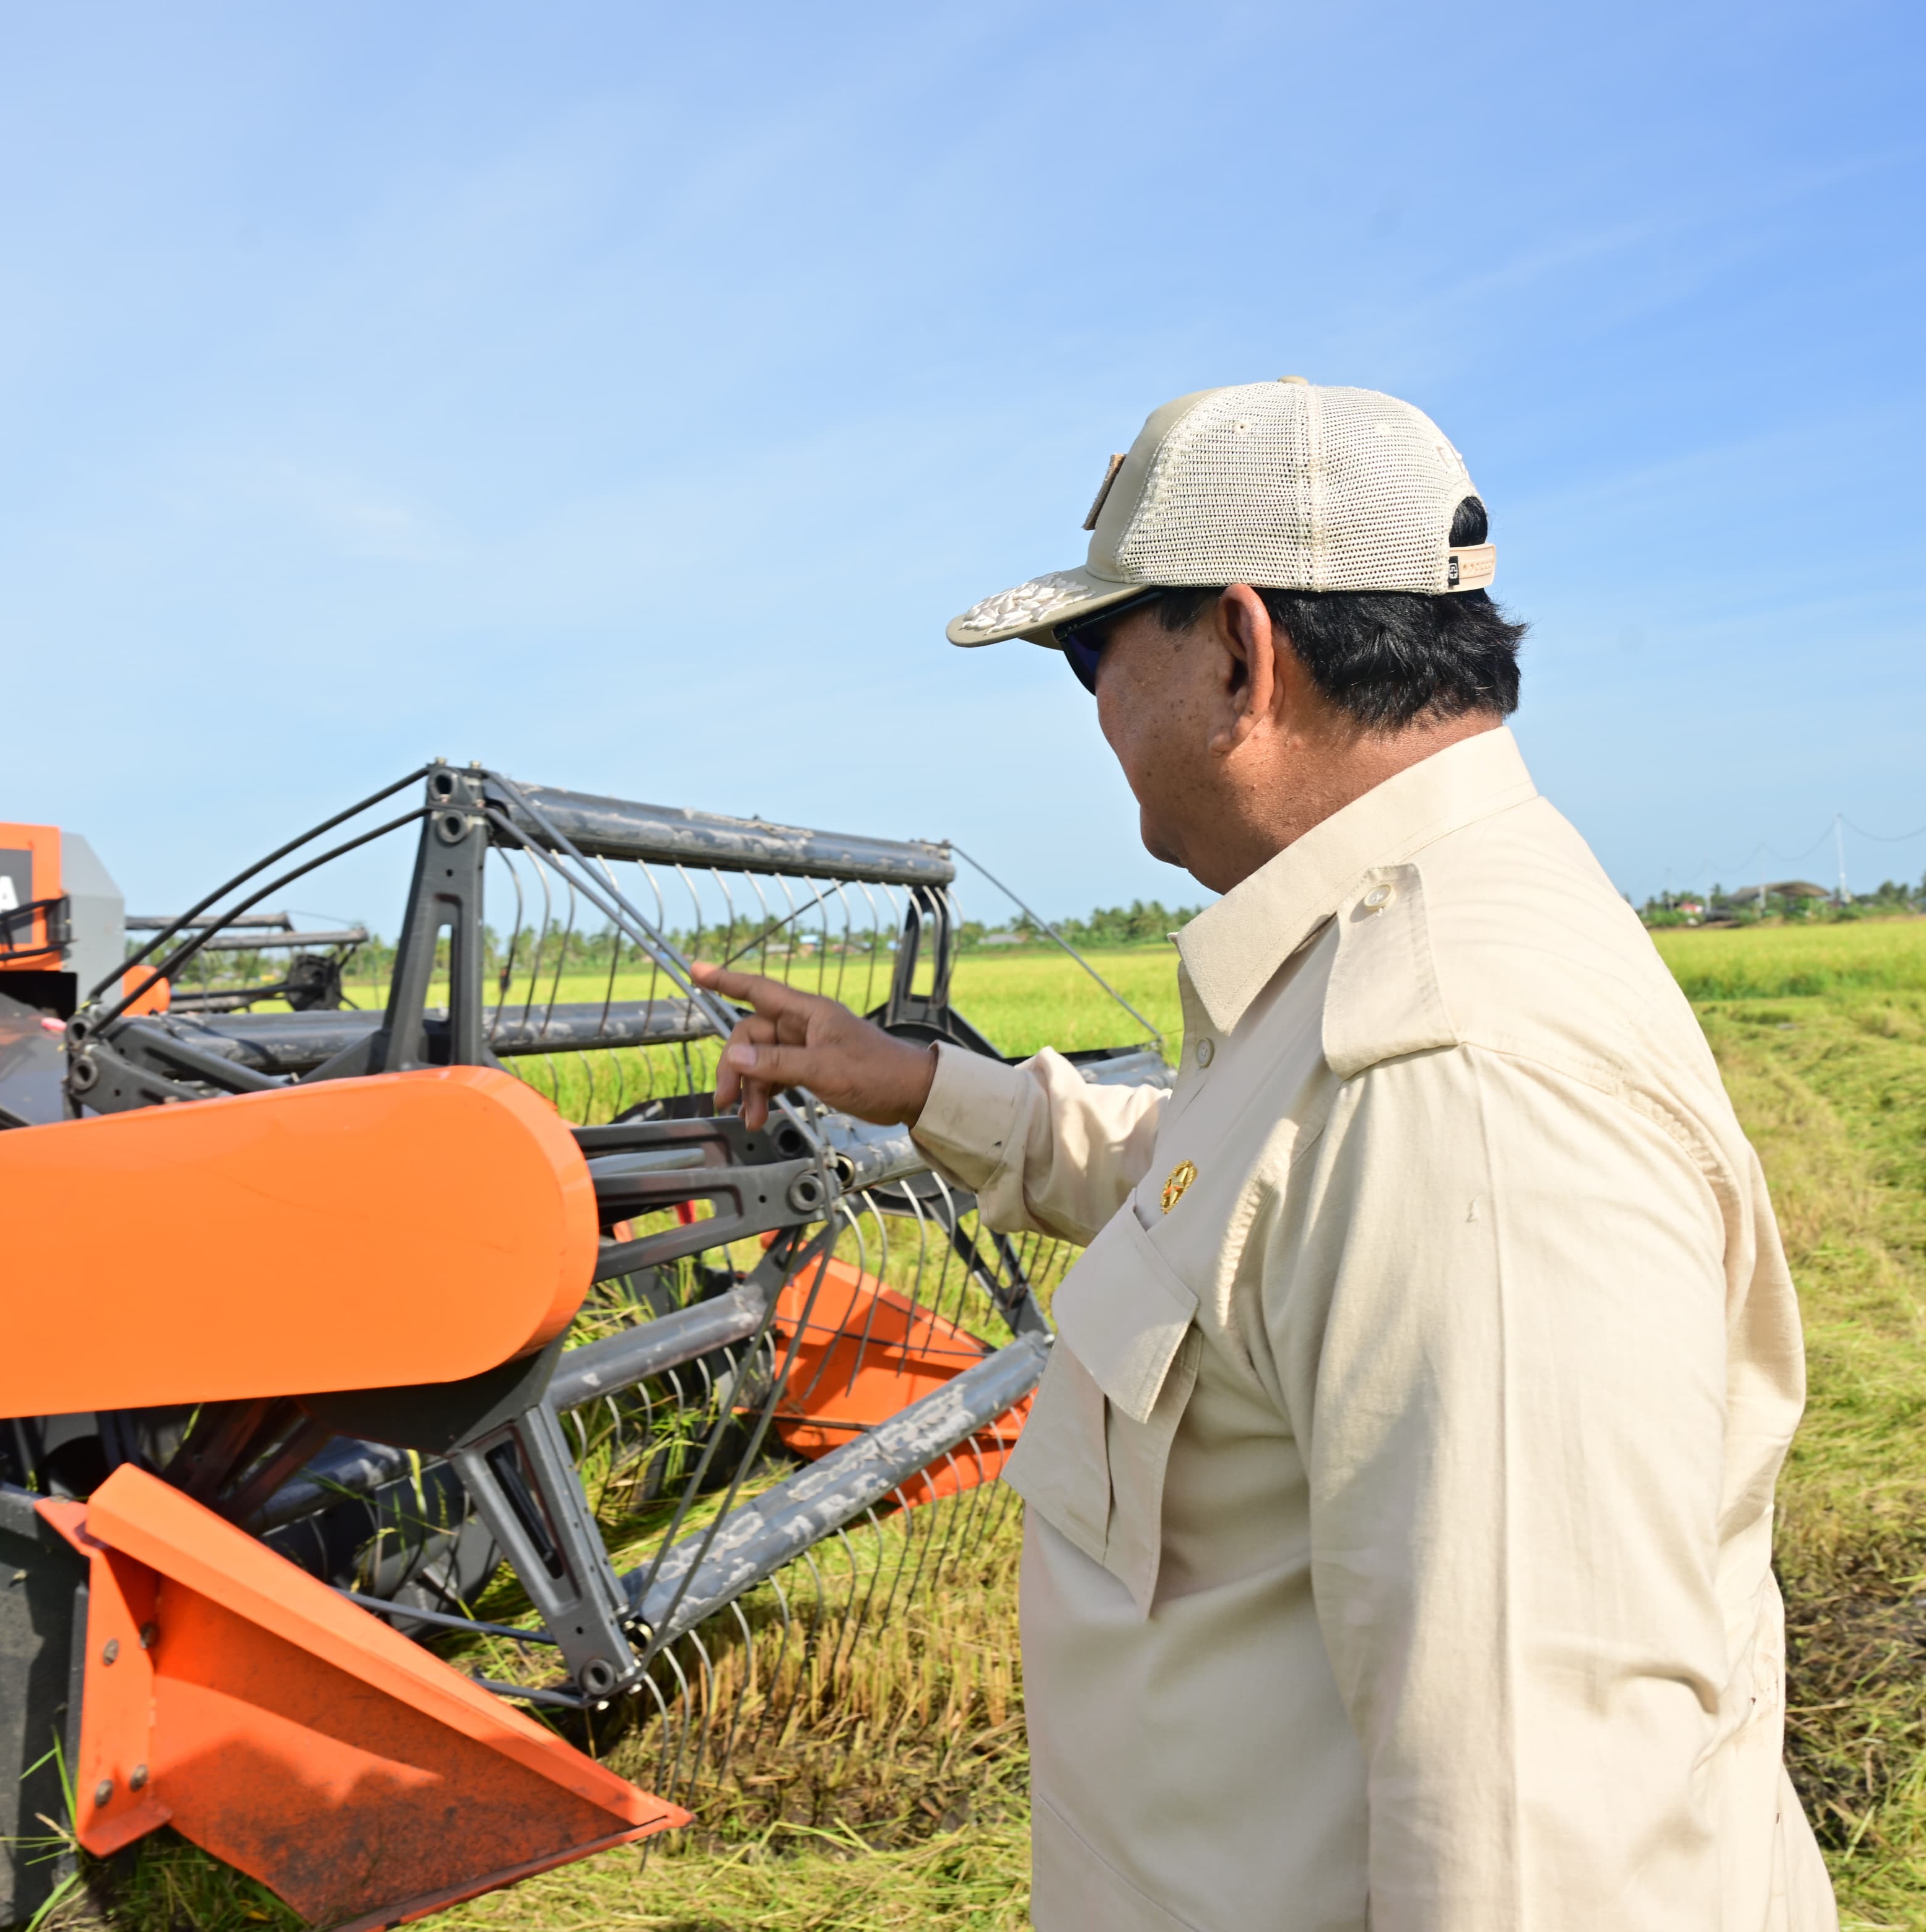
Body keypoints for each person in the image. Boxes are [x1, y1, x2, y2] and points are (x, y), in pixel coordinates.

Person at [691, 379, 1834, 1929]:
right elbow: (1228, 1197)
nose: (1091, 708)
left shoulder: (1457, 1085)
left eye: (1094, 652)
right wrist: (917, 1087)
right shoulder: (1370, 977)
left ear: (1240, 650)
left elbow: (1538, 1844)